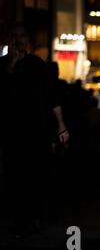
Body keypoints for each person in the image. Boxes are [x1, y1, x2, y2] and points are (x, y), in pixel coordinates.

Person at [0, 23, 69, 237]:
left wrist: (61, 125)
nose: (18, 40)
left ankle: (35, 218)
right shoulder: (2, 65)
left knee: (37, 175)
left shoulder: (37, 65)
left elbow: (51, 98)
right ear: (8, 40)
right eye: (14, 36)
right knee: (14, 176)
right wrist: (11, 63)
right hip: (10, 132)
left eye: (22, 36)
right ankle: (21, 219)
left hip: (37, 130)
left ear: (28, 41)